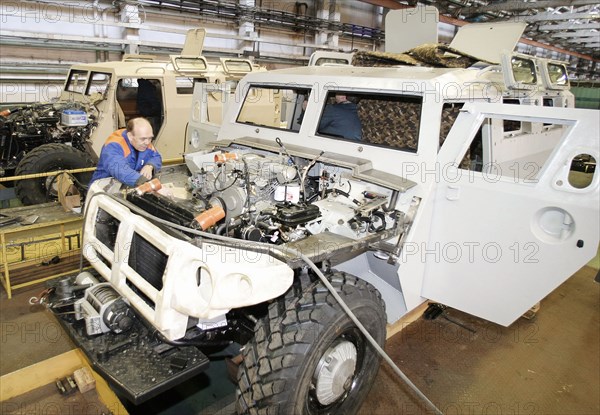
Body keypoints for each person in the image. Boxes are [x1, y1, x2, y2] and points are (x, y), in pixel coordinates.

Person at [90, 117, 162, 187]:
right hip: (103, 189)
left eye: (150, 138)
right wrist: (149, 185)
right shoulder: (114, 145)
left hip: (129, 186)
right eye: (143, 139)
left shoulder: (144, 142)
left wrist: (150, 166)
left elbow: (156, 156)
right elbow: (120, 170)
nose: (147, 142)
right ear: (130, 136)